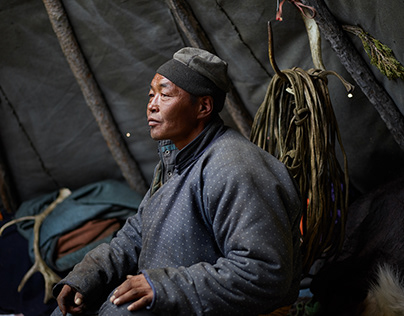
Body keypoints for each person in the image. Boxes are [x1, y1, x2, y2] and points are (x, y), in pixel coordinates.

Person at [51, 47, 302, 316]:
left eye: (165, 94)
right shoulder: (175, 159)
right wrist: (90, 273)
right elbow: (138, 232)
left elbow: (264, 272)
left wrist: (164, 287)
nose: (152, 104)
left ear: (203, 107)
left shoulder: (233, 167)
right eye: (151, 94)